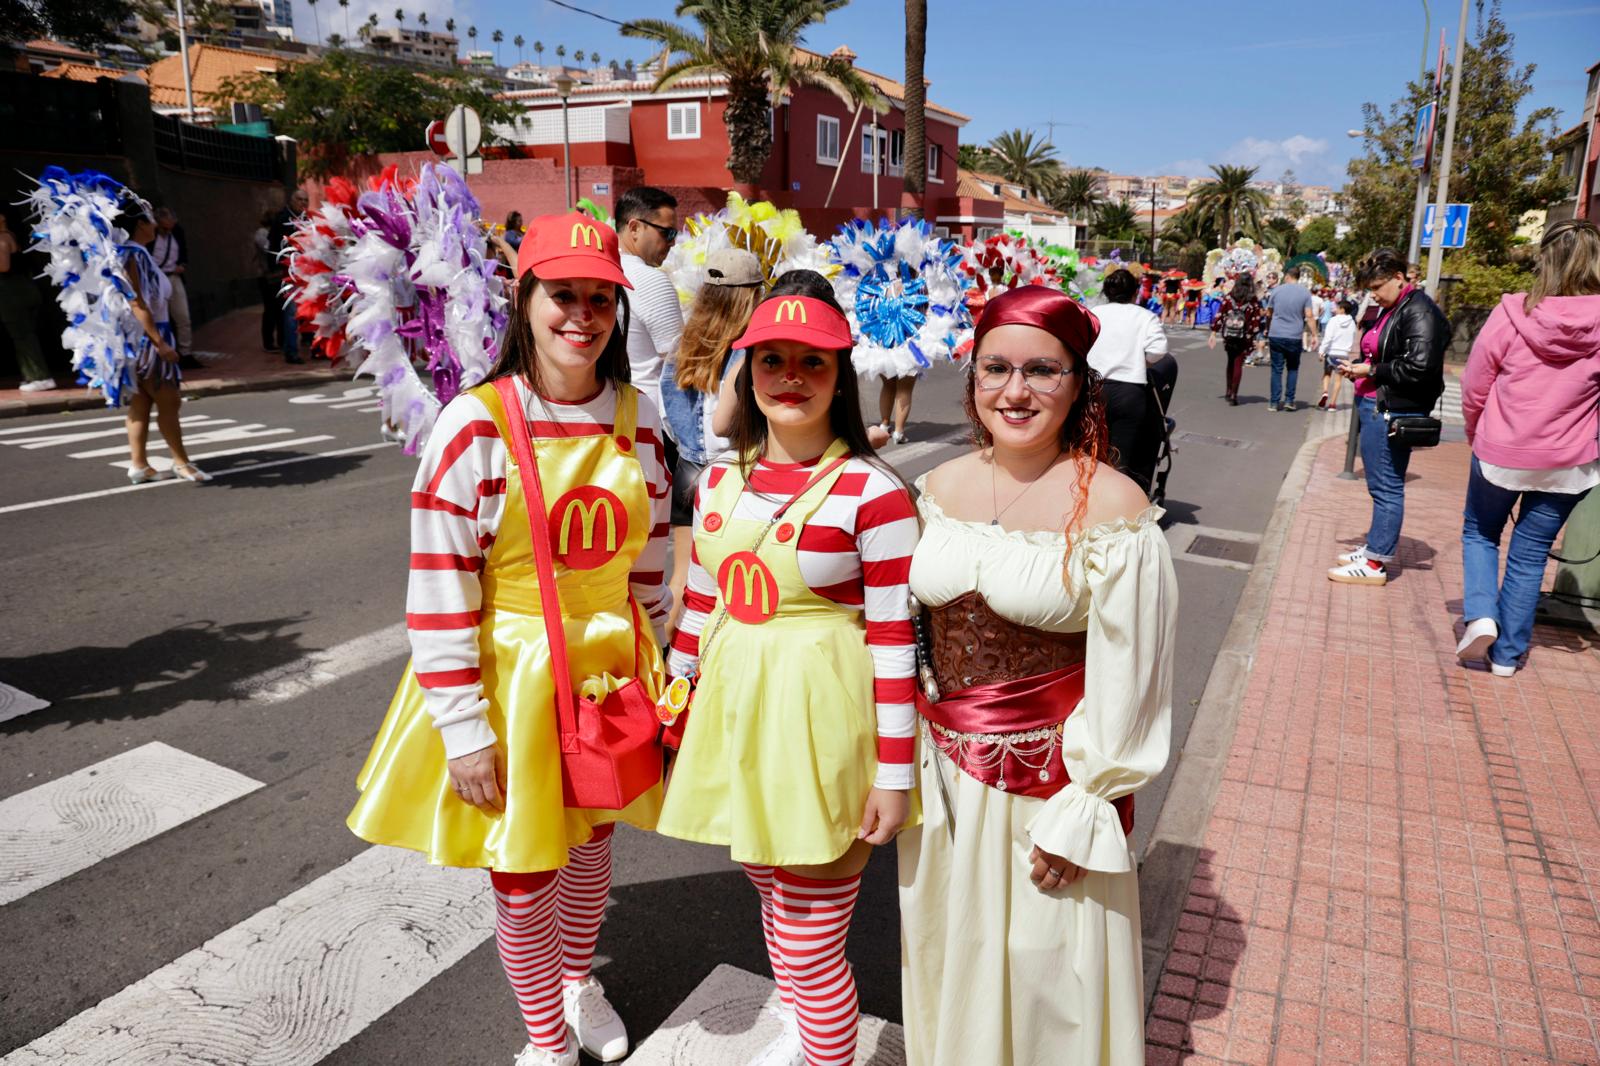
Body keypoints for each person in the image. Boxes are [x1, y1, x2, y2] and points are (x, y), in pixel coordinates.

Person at [348, 212, 672, 1066]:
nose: (583, 315)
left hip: (611, 673)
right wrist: (462, 726)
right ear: (524, 299)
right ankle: (544, 1041)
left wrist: (665, 669)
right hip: (512, 679)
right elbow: (439, 585)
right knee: (524, 872)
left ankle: (576, 982)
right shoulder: (476, 423)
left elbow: (653, 559)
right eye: (563, 293)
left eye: (601, 297)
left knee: (594, 843)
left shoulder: (642, 421)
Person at [900, 285, 1177, 1066]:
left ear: (1078, 383)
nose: (1016, 391)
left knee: (1048, 986)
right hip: (944, 784)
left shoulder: (1115, 510)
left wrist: (1086, 810)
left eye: (1042, 371)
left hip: (1048, 793)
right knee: (951, 965)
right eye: (997, 368)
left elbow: (1135, 681)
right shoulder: (937, 489)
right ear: (973, 378)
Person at [659, 269, 919, 1066]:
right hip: (737, 715)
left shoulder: (873, 494)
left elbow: (895, 646)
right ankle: (812, 1032)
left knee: (810, 934)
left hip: (823, 725)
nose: (791, 379)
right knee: (770, 890)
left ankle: (823, 1049)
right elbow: (700, 603)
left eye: (813, 362)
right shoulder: (719, 481)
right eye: (772, 360)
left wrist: (895, 774)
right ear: (748, 370)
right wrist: (674, 705)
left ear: (841, 375)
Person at [1457, 218, 1600, 676]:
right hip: (1569, 461)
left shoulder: (1514, 312)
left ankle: (1481, 615)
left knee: (1480, 532)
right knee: (1531, 550)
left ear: (1545, 259)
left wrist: (1474, 430)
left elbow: (1476, 382)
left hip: (1501, 451)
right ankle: (1508, 655)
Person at [1327, 248, 1448, 586]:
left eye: (1379, 286)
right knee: (1382, 484)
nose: (1375, 294)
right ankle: (1373, 550)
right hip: (1381, 402)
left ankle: (1376, 561)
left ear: (1399, 278)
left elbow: (1421, 366)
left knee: (1387, 486)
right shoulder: (1397, 307)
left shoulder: (1419, 311)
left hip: (1392, 407)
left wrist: (1372, 369)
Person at [659, 247, 763, 627]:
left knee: (683, 579)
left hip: (687, 470)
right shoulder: (749, 352)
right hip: (734, 475)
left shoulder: (681, 345)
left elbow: (668, 416)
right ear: (752, 294)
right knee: (733, 585)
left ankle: (668, 670)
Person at [117, 206, 211, 484]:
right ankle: (181, 462)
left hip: (139, 338)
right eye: (149, 219)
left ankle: (139, 464)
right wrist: (159, 343)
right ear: (139, 224)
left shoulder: (132, 253)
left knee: (141, 402)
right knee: (169, 402)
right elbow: (137, 303)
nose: (154, 223)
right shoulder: (134, 254)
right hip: (151, 338)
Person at [1084, 267, 1168, 492]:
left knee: (1087, 451)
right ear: (1135, 293)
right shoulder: (1144, 316)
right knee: (1121, 457)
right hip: (1129, 391)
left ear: (1107, 292)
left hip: (1092, 389)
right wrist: (1141, 361)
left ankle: (1085, 502)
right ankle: (1114, 510)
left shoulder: (1093, 313)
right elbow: (1158, 350)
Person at [614, 185, 683, 419]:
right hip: (648, 415)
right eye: (668, 233)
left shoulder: (603, 271)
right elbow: (679, 361)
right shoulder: (651, 280)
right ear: (634, 228)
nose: (673, 242)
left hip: (612, 408)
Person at [0, 209, 54, 391]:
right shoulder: (12, 235)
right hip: (22, 290)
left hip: (12, 293)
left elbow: (3, 266)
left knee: (23, 335)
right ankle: (32, 375)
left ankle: (40, 377)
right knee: (24, 335)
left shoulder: (2, 238)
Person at [148, 206, 201, 370]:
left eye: (170, 226)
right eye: (164, 227)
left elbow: (184, 251)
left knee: (183, 316)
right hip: (156, 278)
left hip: (174, 277)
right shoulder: (151, 235)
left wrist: (182, 264)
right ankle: (158, 351)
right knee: (158, 317)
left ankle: (185, 352)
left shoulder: (177, 232)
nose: (167, 230)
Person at [1263, 265, 1318, 411]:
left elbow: (1268, 313)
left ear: (1287, 276)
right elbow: (1309, 316)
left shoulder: (1276, 290)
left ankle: (1274, 402)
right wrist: (1314, 335)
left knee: (1276, 369)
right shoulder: (1305, 293)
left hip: (1276, 334)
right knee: (1293, 369)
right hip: (1294, 336)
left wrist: (1268, 328)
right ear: (1298, 277)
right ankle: (1289, 400)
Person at [1207, 275, 1264, 405]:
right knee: (1239, 362)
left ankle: (1228, 390)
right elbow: (1255, 321)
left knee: (1230, 361)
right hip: (1244, 336)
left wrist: (1213, 333)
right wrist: (1254, 338)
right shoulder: (1252, 300)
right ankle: (1234, 394)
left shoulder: (1229, 297)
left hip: (1229, 335)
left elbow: (1220, 315)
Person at [269, 188, 310, 364]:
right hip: (288, 273)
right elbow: (272, 245)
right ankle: (291, 351)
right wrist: (275, 268)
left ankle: (309, 342)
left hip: (305, 271)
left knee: (307, 309)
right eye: (300, 200)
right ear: (292, 201)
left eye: (306, 200)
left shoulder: (306, 219)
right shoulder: (282, 219)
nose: (303, 203)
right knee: (291, 312)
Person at [1316, 297, 1358, 411]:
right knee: (1338, 379)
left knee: (1327, 374)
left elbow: (1328, 337)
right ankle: (1333, 404)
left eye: (1338, 308)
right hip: (1343, 354)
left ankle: (1325, 392)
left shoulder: (1333, 320)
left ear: (1342, 309)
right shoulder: (1352, 323)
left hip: (1331, 352)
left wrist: (1321, 351)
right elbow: (1353, 337)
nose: (1335, 309)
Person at [254, 208, 284, 352]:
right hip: (267, 277)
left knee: (278, 309)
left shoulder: (270, 233)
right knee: (271, 309)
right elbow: (269, 249)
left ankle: (280, 340)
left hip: (275, 276)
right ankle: (269, 342)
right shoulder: (262, 233)